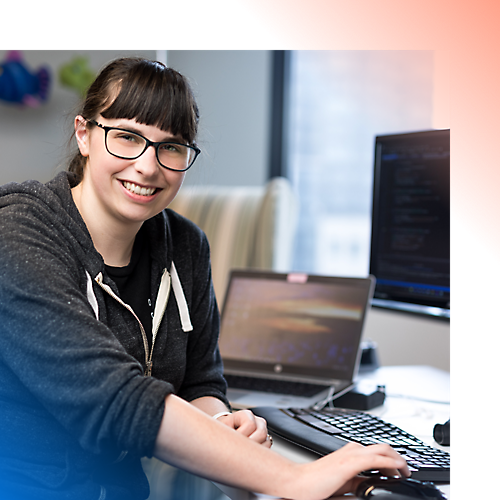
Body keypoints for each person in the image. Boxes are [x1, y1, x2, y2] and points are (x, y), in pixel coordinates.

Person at [0, 57, 409, 500]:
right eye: (126, 137)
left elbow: (200, 381)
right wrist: (292, 479)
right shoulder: (19, 230)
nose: (147, 166)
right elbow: (111, 400)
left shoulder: (185, 245)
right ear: (84, 134)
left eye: (171, 146)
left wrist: (221, 425)